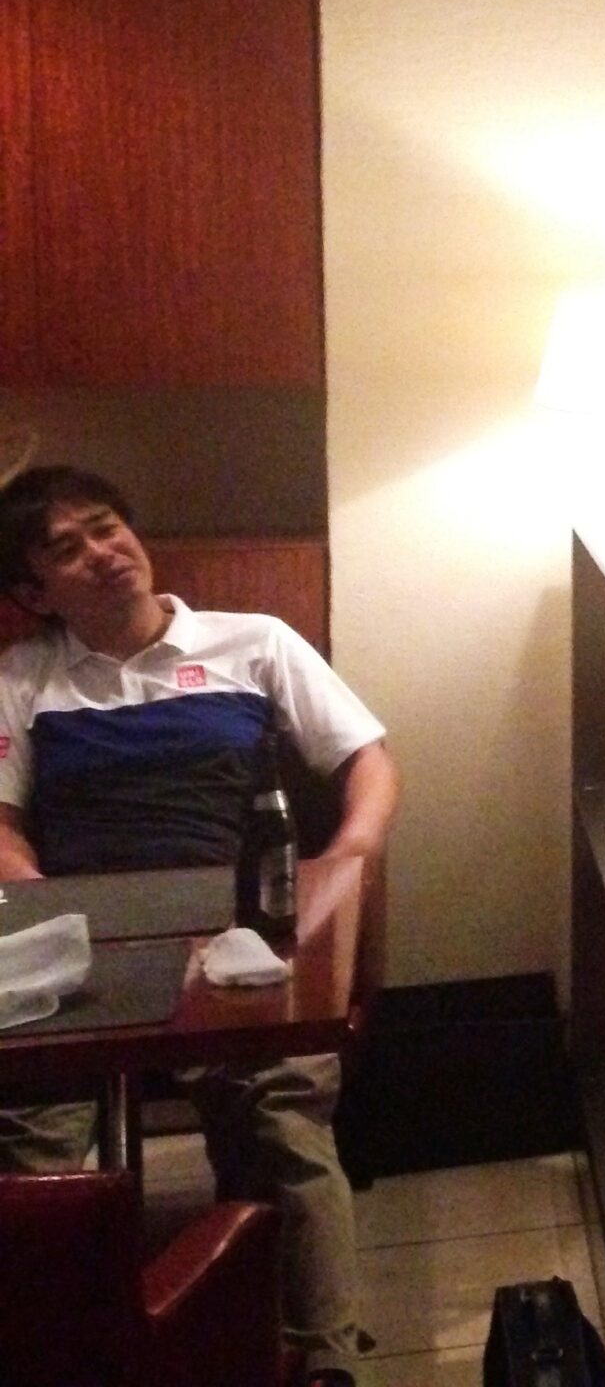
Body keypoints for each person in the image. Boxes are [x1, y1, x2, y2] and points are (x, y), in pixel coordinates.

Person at [0, 465, 400, 1385]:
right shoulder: (24, 678)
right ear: (34, 591)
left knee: (280, 1119)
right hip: (85, 940)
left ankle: (322, 1359)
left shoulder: (252, 641)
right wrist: (35, 900)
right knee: (32, 1137)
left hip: (236, 929)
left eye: (107, 526)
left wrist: (345, 862)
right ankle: (65, 1353)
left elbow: (369, 761)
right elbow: (4, 824)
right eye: (67, 547)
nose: (104, 552)